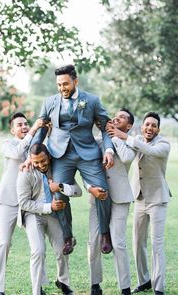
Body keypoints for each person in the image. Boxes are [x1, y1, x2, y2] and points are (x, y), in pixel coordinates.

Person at [31, 64, 114, 255]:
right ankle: (68, 236)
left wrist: (108, 150)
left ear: (75, 81)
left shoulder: (92, 100)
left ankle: (105, 233)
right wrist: (32, 154)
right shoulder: (49, 102)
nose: (62, 88)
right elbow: (42, 128)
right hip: (60, 155)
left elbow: (104, 126)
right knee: (58, 194)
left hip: (87, 154)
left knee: (102, 191)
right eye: (59, 85)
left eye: (66, 84)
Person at [108, 112, 171, 295]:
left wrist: (124, 136)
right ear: (142, 127)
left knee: (156, 245)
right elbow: (128, 154)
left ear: (158, 129)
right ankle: (144, 280)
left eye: (153, 125)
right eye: (147, 125)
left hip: (158, 200)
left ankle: (159, 288)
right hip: (139, 199)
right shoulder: (135, 139)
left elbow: (149, 150)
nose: (149, 128)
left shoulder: (163, 145)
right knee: (137, 242)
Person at [17, 143, 82, 295]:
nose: (40, 165)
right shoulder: (26, 172)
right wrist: (49, 207)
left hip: (55, 216)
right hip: (33, 214)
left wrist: (60, 186)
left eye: (43, 161)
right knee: (38, 251)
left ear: (50, 156)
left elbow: (78, 191)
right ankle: (36, 291)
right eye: (36, 162)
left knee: (63, 249)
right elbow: (23, 203)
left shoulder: (60, 169)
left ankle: (63, 282)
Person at [0, 113, 46, 295]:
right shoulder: (8, 144)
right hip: (8, 201)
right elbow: (16, 153)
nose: (24, 126)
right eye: (20, 124)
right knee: (4, 243)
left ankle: (38, 287)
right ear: (12, 129)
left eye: (26, 123)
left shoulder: (34, 146)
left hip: (29, 204)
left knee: (38, 246)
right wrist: (34, 128)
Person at [88, 108, 136, 295]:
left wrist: (115, 136)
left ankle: (125, 288)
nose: (117, 117)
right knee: (93, 242)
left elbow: (125, 158)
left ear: (129, 125)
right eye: (116, 115)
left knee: (118, 242)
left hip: (120, 198)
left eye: (122, 117)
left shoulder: (130, 143)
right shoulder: (99, 142)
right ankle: (95, 284)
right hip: (97, 198)